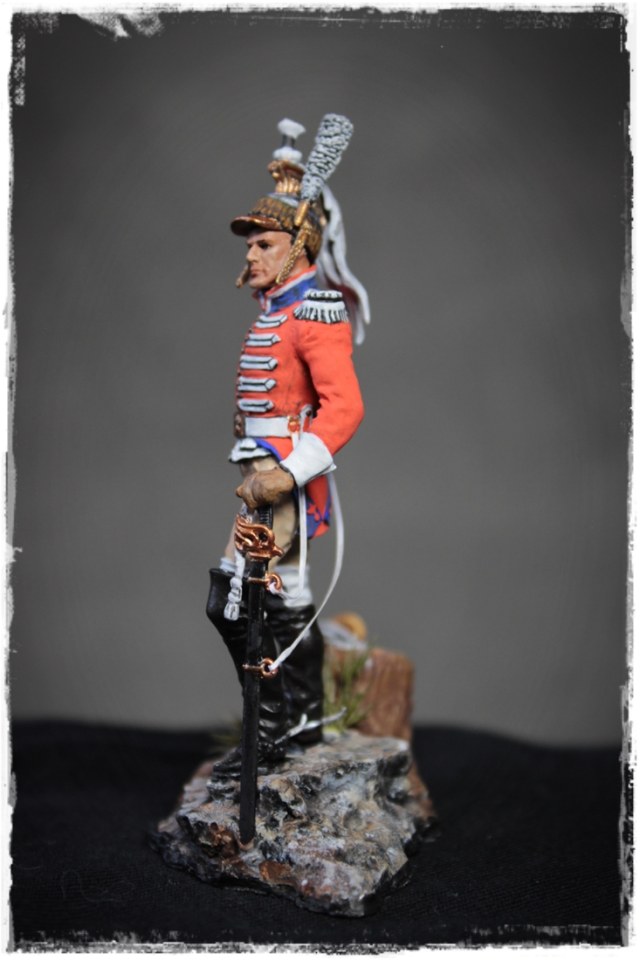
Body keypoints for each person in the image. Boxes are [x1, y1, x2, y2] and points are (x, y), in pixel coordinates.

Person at [206, 116, 369, 775]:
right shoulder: (274, 309)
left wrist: (287, 473)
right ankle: (293, 721)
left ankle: (282, 728)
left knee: (266, 597)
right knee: (244, 598)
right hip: (259, 478)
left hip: (286, 483)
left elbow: (345, 407)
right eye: (250, 244)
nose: (250, 255)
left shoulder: (313, 312)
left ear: (299, 246)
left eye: (264, 244)